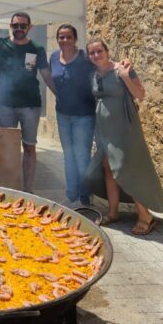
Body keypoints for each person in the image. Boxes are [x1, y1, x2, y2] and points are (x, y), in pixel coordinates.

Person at [84, 38, 163, 235]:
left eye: (99, 51)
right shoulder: (94, 75)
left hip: (124, 128)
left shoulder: (122, 69)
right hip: (104, 130)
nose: (96, 55)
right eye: (92, 53)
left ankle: (145, 215)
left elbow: (140, 95)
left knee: (124, 169)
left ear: (107, 51)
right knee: (108, 168)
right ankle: (113, 212)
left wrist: (125, 76)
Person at [0, 12, 55, 193]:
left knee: (29, 147)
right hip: (6, 105)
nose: (18, 29)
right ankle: (9, 187)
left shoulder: (36, 48)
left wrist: (60, 94)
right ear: (10, 26)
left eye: (22, 26)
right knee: (7, 146)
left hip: (31, 105)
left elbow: (46, 73)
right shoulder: (0, 45)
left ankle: (28, 189)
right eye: (15, 25)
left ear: (29, 27)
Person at [49, 24, 96, 208]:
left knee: (82, 155)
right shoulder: (53, 57)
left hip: (84, 115)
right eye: (61, 37)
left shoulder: (85, 58)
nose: (65, 40)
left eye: (68, 37)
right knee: (68, 155)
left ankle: (85, 196)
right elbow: (49, 77)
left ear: (75, 39)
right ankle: (71, 194)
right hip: (63, 114)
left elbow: (103, 66)